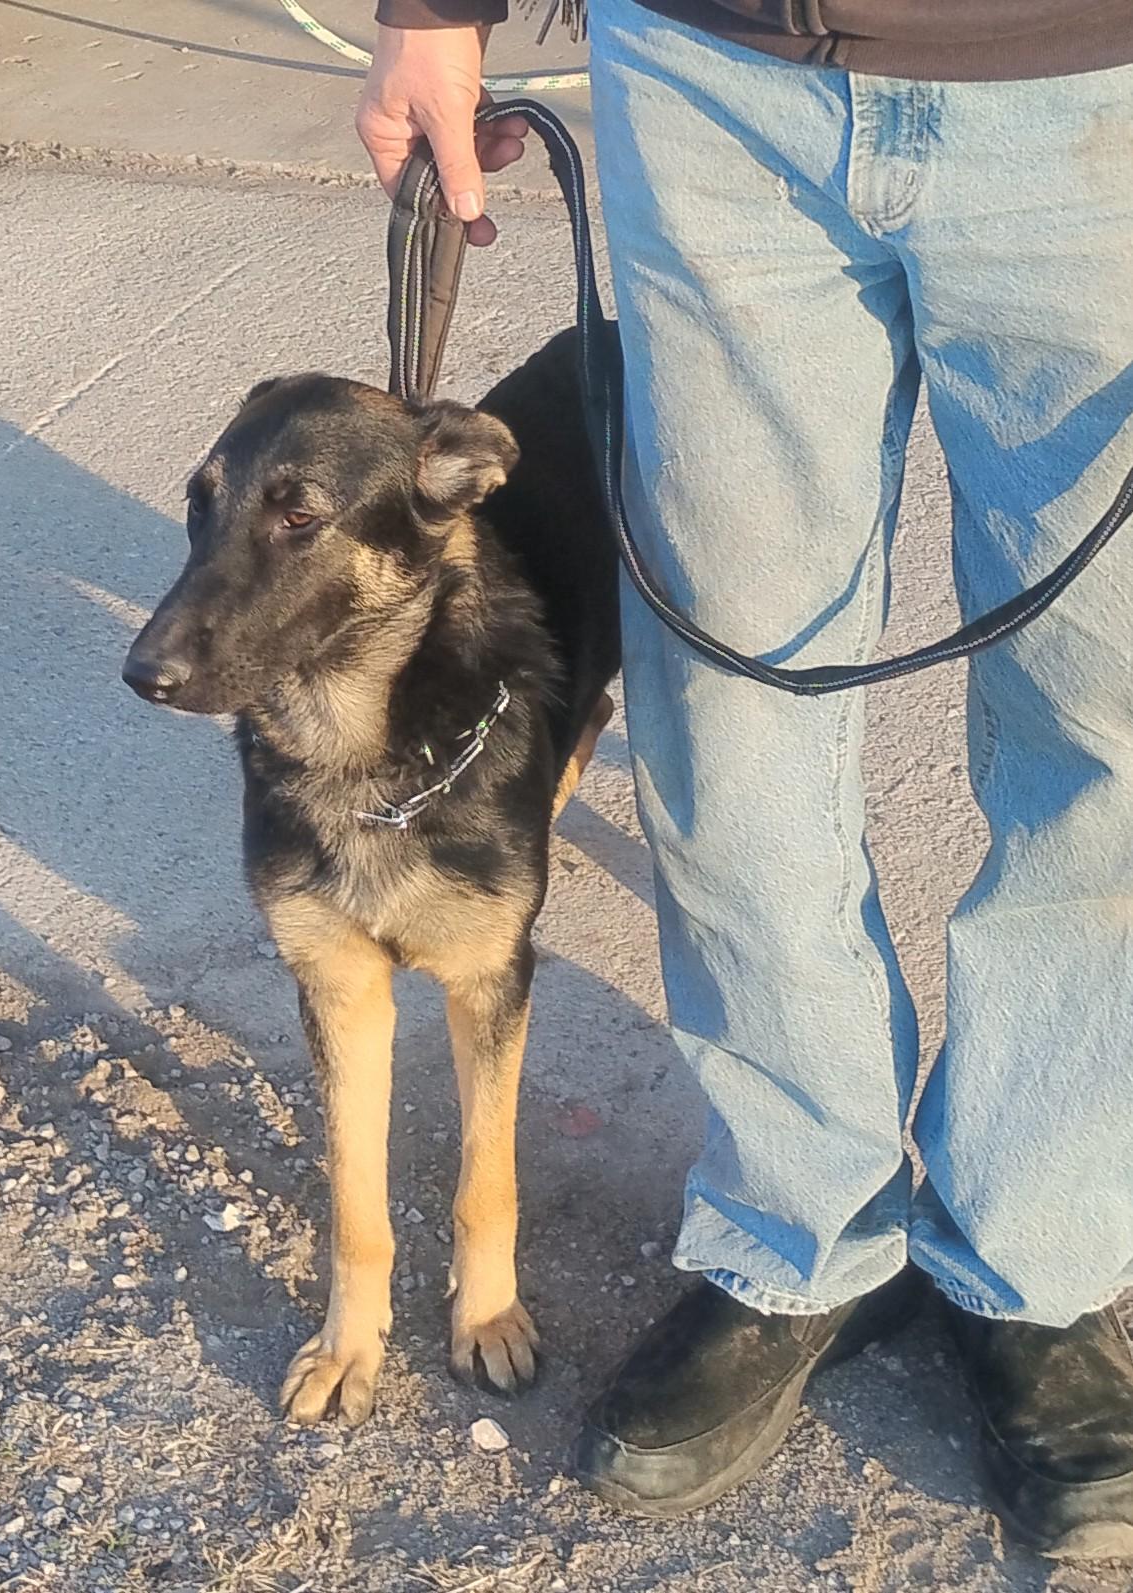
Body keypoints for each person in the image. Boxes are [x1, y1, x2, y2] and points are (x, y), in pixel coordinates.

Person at [356, 0, 1133, 1558]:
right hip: (715, 81)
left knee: (1101, 732)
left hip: (1086, 88)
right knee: (726, 710)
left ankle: (1031, 1257)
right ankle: (800, 1228)